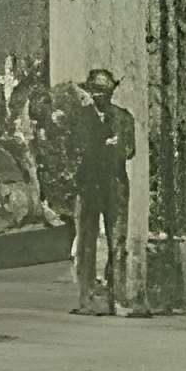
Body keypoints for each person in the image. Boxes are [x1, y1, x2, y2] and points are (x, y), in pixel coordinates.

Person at [68, 66, 135, 315]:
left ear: (111, 93)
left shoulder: (123, 118)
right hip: (89, 185)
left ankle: (117, 299)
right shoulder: (81, 118)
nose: (100, 96)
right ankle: (86, 298)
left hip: (115, 185)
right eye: (95, 91)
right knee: (86, 241)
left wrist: (107, 148)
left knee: (117, 242)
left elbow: (129, 151)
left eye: (104, 91)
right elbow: (77, 148)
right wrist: (104, 145)